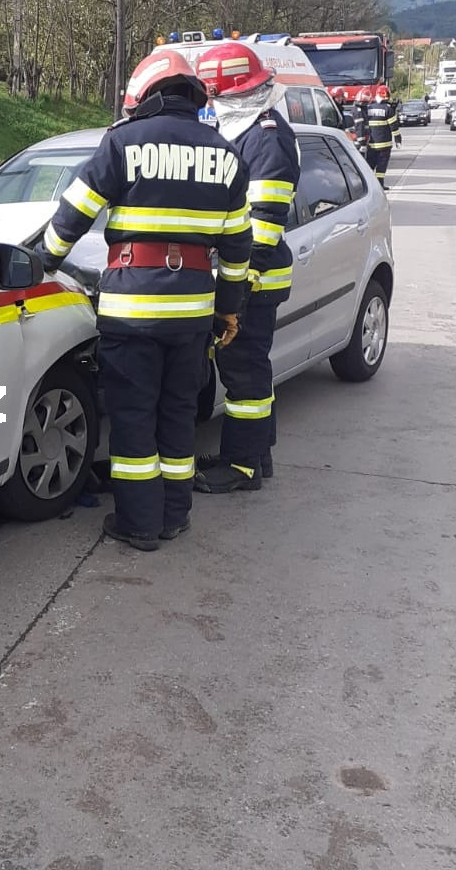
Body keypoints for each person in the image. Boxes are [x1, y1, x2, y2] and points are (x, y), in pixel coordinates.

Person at [39, 48, 251, 551]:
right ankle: (174, 516)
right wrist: (228, 308)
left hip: (132, 313)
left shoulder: (122, 143)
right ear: (193, 96)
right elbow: (238, 248)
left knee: (134, 415)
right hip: (193, 315)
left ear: (148, 96)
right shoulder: (225, 154)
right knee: (178, 414)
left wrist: (41, 262)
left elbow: (71, 219)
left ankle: (139, 523)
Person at [191, 43, 302, 494]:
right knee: (252, 368)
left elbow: (263, 229)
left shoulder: (266, 138)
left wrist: (234, 295)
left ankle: (241, 468)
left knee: (243, 372)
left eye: (216, 96)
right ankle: (259, 453)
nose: (213, 105)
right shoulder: (250, 130)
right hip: (249, 276)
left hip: (255, 277)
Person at [365, 84, 400, 188]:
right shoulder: (388, 109)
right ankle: (379, 185)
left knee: (370, 165)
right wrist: (398, 140)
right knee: (381, 166)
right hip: (384, 145)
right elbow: (394, 127)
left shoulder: (369, 107)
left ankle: (368, 185)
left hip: (371, 144)